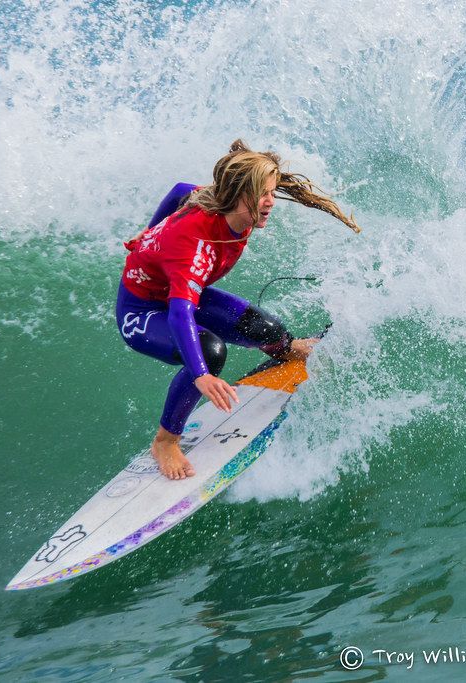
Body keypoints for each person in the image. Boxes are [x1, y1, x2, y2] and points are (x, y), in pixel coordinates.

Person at [116, 139, 360, 480]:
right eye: (263, 195)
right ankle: (165, 441)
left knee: (268, 331)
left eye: (272, 192)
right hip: (142, 312)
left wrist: (150, 231)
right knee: (208, 352)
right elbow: (179, 314)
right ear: (239, 195)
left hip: (179, 293)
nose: (271, 202)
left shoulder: (219, 200)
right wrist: (201, 375)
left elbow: (181, 189)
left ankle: (288, 349)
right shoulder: (195, 245)